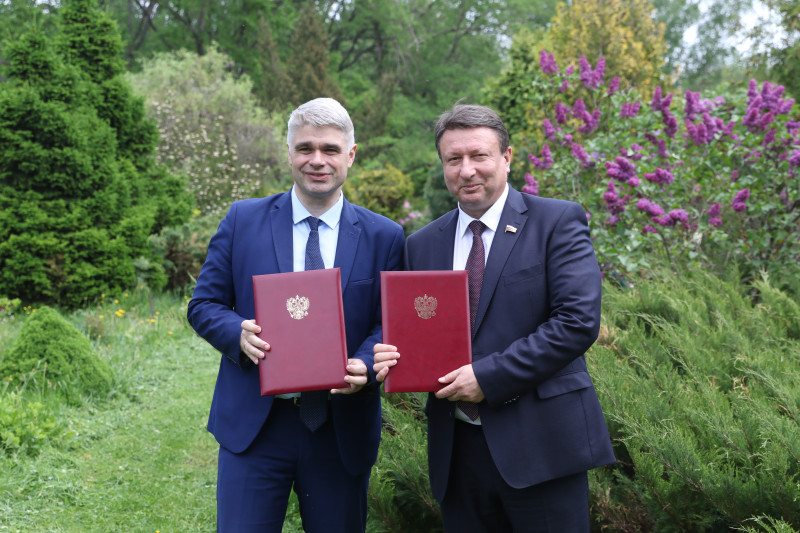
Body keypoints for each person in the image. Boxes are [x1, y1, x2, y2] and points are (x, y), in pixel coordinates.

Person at [373, 103, 615, 532]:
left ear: (506, 157)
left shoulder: (556, 221)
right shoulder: (421, 245)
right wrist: (392, 356)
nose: (466, 170)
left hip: (542, 448)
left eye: (478, 156)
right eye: (453, 159)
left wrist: (488, 377)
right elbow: (420, 332)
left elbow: (576, 322)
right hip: (458, 455)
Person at [188, 97, 405, 532]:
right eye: (305, 148)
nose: (317, 160)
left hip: (340, 429)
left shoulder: (385, 235)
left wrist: (365, 363)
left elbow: (389, 320)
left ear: (350, 155)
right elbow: (203, 305)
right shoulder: (242, 219)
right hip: (255, 425)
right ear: (289, 153)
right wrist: (236, 333)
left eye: (329, 149)